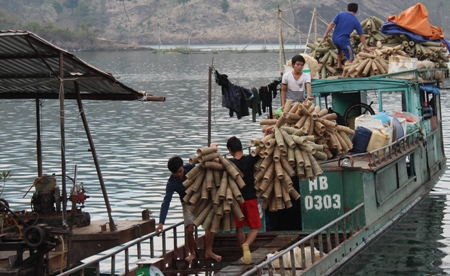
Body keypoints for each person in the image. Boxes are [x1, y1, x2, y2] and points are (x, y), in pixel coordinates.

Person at [155, 156, 222, 264]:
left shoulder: (190, 167)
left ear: (182, 167)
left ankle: (209, 251)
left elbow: (203, 170)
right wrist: (161, 222)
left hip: (201, 199)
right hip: (187, 204)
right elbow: (166, 202)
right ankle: (192, 253)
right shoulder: (171, 183)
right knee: (190, 229)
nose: (179, 174)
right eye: (175, 173)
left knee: (210, 224)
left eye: (180, 171)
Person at [226, 136, 262, 264]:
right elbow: (261, 148)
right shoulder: (250, 159)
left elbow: (215, 159)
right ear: (241, 147)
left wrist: (213, 148)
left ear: (230, 150)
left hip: (237, 200)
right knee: (255, 227)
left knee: (239, 227)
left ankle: (244, 252)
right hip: (251, 198)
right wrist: (268, 132)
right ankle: (247, 245)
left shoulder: (229, 163)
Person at [323, 3, 372, 76]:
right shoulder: (355, 21)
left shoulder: (340, 14)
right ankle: (343, 75)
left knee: (339, 50)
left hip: (335, 38)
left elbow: (332, 24)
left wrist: (326, 33)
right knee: (350, 57)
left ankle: (339, 65)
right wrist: (366, 47)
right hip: (344, 40)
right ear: (356, 11)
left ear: (347, 9)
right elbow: (361, 35)